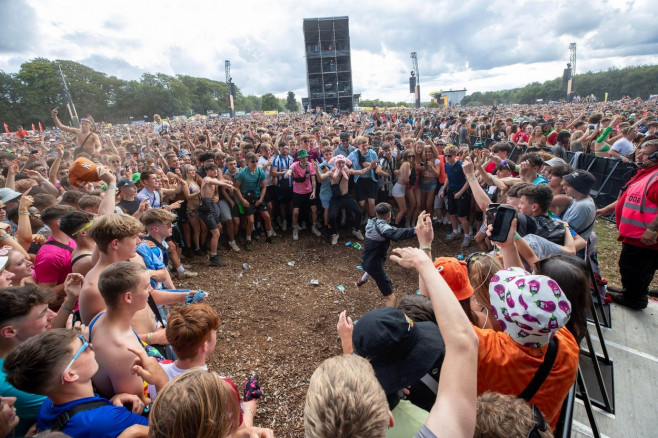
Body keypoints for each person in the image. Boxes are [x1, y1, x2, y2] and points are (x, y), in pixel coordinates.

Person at [306, 241, 479, 438]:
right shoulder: (420, 424)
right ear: (388, 418)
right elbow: (464, 344)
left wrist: (347, 344)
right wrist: (425, 263)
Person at [3, 329, 150, 436]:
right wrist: (161, 380)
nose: (90, 346)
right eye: (84, 347)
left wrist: (109, 403)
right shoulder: (106, 419)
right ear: (71, 374)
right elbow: (168, 430)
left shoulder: (49, 404)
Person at [597, 136, 658, 309]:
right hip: (635, 236)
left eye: (645, 155)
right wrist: (607, 209)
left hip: (645, 239)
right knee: (631, 267)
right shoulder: (646, 174)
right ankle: (631, 291)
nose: (638, 157)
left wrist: (652, 230)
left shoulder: (656, 178)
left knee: (636, 269)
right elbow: (629, 197)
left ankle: (635, 299)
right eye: (639, 153)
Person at [87, 262, 154, 404]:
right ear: (128, 297)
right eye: (146, 286)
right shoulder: (124, 352)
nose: (151, 289)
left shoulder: (100, 317)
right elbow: (139, 405)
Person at [357, 203, 417, 307]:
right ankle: (389, 318)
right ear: (389, 215)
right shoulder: (382, 228)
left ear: (376, 213)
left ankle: (361, 280)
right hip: (374, 265)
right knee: (391, 297)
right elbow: (396, 234)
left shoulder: (371, 222)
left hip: (365, 259)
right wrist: (416, 230)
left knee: (374, 263)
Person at [319, 154, 374, 244]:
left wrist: (370, 167)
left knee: (359, 212)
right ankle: (335, 234)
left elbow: (361, 172)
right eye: (339, 163)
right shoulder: (331, 172)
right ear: (335, 163)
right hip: (336, 198)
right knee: (332, 216)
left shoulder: (347, 170)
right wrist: (316, 169)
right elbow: (321, 178)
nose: (341, 164)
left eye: (342, 162)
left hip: (346, 196)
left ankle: (356, 230)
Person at [32, 204, 76, 306]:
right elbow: (45, 296)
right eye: (74, 219)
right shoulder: (50, 255)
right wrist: (79, 278)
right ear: (60, 223)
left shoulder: (72, 239)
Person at [235, 152, 275, 250]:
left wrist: (261, 199)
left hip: (257, 196)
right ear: (248, 162)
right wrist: (242, 200)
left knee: (266, 216)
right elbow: (237, 187)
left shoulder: (260, 172)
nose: (255, 163)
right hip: (247, 198)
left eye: (257, 161)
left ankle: (269, 236)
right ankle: (248, 240)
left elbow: (264, 187)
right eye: (253, 161)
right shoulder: (242, 173)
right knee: (251, 221)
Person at [284, 149, 321, 240]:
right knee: (296, 212)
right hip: (297, 192)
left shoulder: (310, 166)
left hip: (309, 191)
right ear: (299, 158)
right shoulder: (295, 165)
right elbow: (290, 171)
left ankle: (314, 226)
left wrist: (313, 191)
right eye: (303, 157)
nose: (305, 159)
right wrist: (288, 173)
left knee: (314, 209)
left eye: (306, 157)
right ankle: (295, 229)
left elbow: (313, 180)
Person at [441, 145, 472, 247]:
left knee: (462, 216)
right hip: (451, 191)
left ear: (455, 155)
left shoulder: (461, 165)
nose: (447, 158)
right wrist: (443, 189)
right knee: (452, 213)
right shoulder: (447, 165)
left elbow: (469, 181)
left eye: (449, 156)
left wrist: (460, 192)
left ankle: (467, 236)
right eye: (446, 156)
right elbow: (448, 178)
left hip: (461, 193)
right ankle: (455, 232)